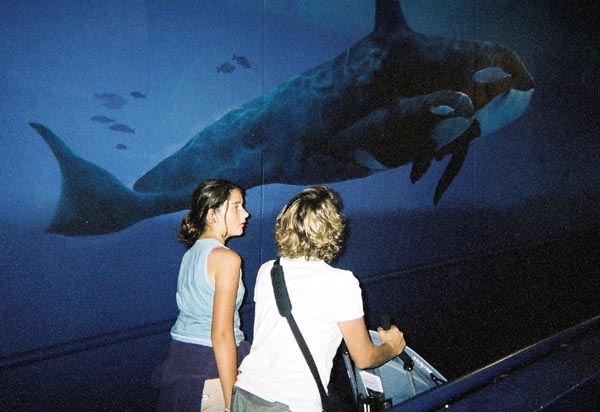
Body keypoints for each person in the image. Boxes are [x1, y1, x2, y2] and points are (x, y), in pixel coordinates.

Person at [233, 185, 406, 412]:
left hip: (245, 393)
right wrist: (392, 346)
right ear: (332, 229)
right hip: (290, 403)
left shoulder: (268, 270)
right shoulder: (341, 282)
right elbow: (364, 357)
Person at [153, 179, 250, 412]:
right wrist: (232, 403)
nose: (246, 214)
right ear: (212, 215)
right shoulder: (226, 259)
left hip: (181, 360)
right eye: (236, 207)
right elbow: (222, 334)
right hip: (209, 368)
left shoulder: (191, 253)